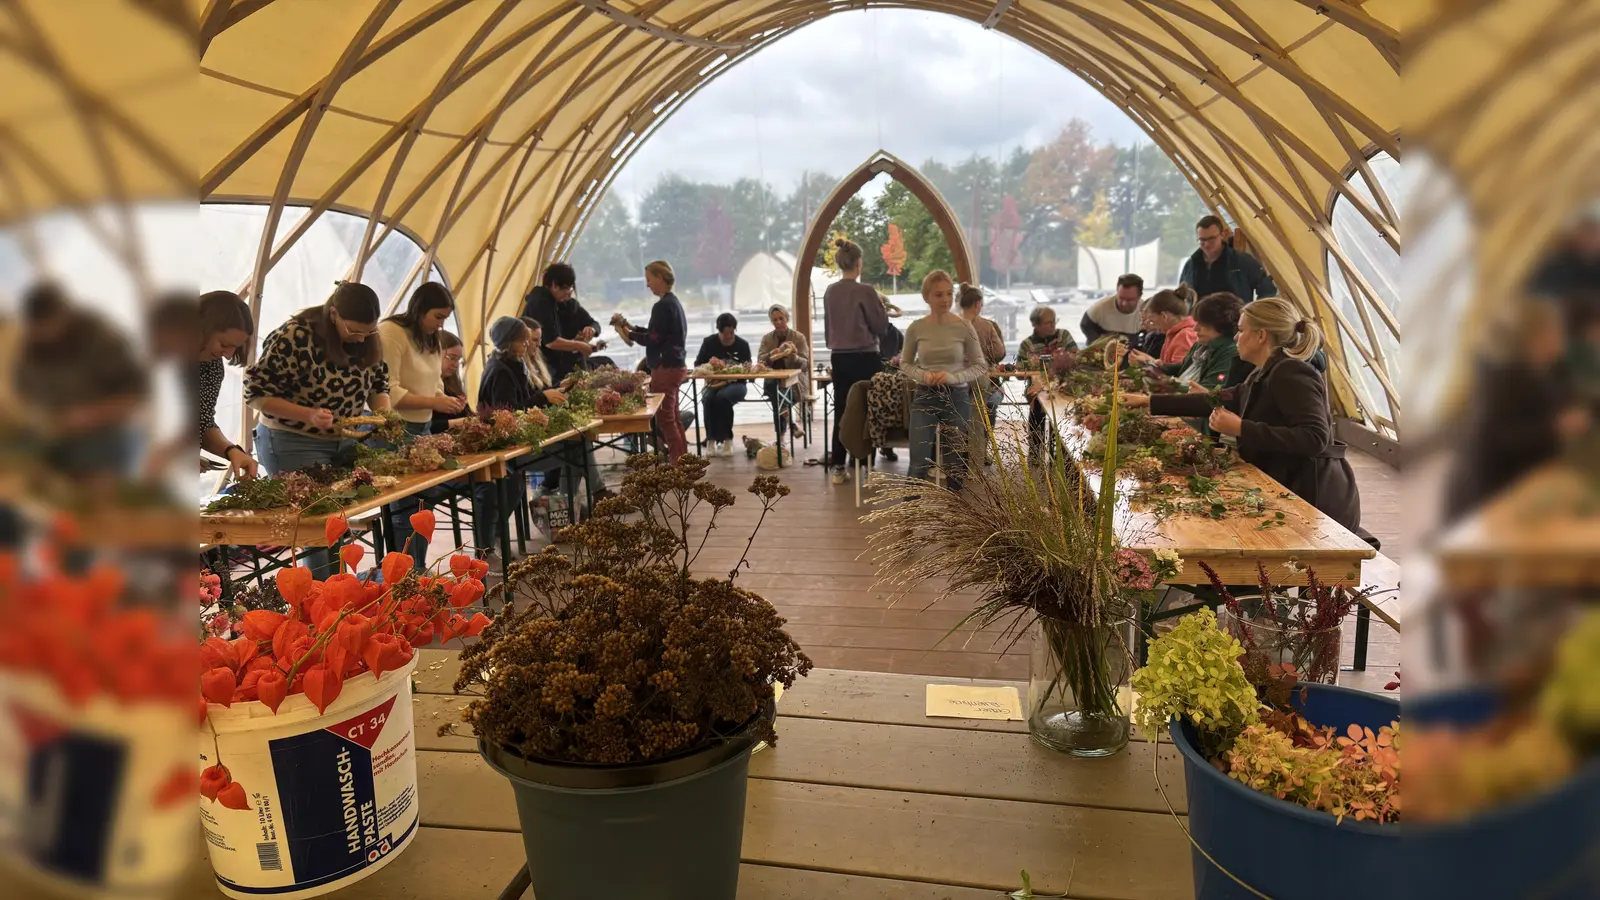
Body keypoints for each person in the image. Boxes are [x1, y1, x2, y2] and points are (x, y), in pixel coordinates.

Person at [1124, 297, 1361, 532]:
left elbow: (1314, 438)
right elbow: (1219, 398)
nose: (1235, 337)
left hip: (1313, 497)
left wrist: (1240, 428)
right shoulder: (1267, 371)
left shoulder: (1291, 372)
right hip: (1291, 484)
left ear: (1261, 335)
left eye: (1241, 330)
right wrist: (1147, 402)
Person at [245, 282, 391, 576]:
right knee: (317, 529)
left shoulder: (367, 339)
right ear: (334, 314)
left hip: (343, 441)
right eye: (354, 332)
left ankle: (338, 596)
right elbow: (256, 394)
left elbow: (378, 384)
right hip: (292, 442)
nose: (361, 339)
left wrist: (386, 418)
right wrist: (308, 414)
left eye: (369, 333)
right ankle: (321, 609)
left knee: (337, 523)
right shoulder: (295, 336)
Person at [1444, 300, 1590, 524]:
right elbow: (1498, 441)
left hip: (1515, 484)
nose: (1561, 338)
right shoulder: (1506, 378)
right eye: (1555, 331)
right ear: (1535, 337)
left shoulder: (1539, 371)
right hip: (1487, 497)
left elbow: (1564, 402)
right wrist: (1557, 427)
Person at [15, 284, 150, 485]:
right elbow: (26, 393)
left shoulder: (98, 336)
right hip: (61, 440)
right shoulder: (31, 349)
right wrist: (45, 421)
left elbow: (136, 393)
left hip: (112, 437)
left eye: (51, 326)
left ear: (64, 316)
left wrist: (92, 415)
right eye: (39, 330)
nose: (47, 336)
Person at [900, 271, 988, 491]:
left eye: (949, 293)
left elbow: (980, 365)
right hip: (925, 396)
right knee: (918, 463)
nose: (946, 299)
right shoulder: (916, 328)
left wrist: (952, 377)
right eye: (939, 294)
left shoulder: (964, 326)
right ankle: (907, 519)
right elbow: (905, 363)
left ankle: (954, 521)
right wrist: (922, 375)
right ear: (927, 297)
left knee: (955, 466)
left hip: (956, 398)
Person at [822, 238, 889, 483]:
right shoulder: (866, 291)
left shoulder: (830, 291)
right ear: (859, 263)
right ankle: (864, 463)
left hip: (839, 358)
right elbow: (880, 327)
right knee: (867, 410)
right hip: (866, 357)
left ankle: (838, 465)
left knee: (842, 409)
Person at [614, 260, 688, 462]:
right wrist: (631, 327)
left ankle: (678, 464)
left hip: (665, 368)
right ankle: (684, 460)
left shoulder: (662, 306)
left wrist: (628, 333)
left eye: (649, 280)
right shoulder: (674, 302)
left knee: (665, 420)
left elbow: (654, 338)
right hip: (677, 366)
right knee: (674, 417)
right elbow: (658, 333)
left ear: (660, 278)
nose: (648, 285)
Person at [520, 262, 601, 383]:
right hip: (545, 367)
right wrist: (579, 345)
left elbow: (594, 324)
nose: (569, 294)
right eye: (566, 289)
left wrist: (591, 329)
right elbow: (551, 342)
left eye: (571, 289)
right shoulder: (540, 303)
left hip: (566, 364)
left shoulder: (567, 303)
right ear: (554, 285)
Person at [1019, 306, 1078, 461]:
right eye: (1048, 323)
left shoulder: (1063, 335)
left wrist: (1064, 359)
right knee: (1037, 406)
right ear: (1036, 325)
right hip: (1037, 387)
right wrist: (1029, 364)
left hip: (1063, 384)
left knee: (1059, 411)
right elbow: (1019, 372)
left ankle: (1057, 452)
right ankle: (1035, 451)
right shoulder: (1027, 344)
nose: (1053, 326)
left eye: (1054, 321)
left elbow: (1076, 357)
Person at [1178, 215, 1277, 305]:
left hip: (1234, 323)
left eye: (1211, 239)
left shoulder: (1243, 262)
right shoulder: (1191, 265)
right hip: (1198, 323)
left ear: (1223, 234)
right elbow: (1180, 296)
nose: (1207, 244)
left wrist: (1251, 316)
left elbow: (1268, 290)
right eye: (1202, 240)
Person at [694, 312, 754, 457]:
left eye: (732, 333)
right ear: (719, 332)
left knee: (722, 397)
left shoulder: (742, 344)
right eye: (726, 334)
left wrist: (746, 368)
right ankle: (711, 440)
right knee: (707, 398)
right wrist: (710, 365)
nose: (729, 337)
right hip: (713, 383)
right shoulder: (709, 342)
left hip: (737, 385)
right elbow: (697, 365)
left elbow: (749, 370)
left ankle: (728, 439)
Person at [957, 284, 1006, 455]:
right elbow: (999, 352)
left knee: (956, 417)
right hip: (979, 376)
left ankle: (956, 460)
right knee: (978, 421)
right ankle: (976, 462)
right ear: (978, 304)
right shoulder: (986, 326)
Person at [758, 304, 810, 440]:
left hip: (795, 383)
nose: (778, 322)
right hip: (773, 381)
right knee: (776, 391)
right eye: (775, 320)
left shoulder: (798, 338)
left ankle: (781, 438)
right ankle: (791, 425)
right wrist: (771, 354)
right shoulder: (767, 339)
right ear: (771, 321)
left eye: (781, 318)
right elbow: (760, 361)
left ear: (787, 318)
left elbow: (805, 365)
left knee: (778, 398)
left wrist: (793, 356)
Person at [1128, 289, 1198, 367]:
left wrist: (1149, 362)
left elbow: (1179, 375)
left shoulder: (1184, 335)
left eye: (1152, 321)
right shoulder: (1172, 335)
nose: (1153, 326)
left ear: (1164, 316)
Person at [1080, 274, 1146, 344]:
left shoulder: (1145, 311)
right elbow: (1085, 324)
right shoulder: (1101, 307)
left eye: (1130, 300)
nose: (1124, 303)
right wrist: (1098, 343)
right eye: (1121, 298)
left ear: (1139, 296)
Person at [432, 331, 472, 434]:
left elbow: (468, 415)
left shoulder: (453, 384)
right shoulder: (425, 386)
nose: (456, 364)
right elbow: (428, 427)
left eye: (458, 359)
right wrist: (462, 422)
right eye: (452, 358)